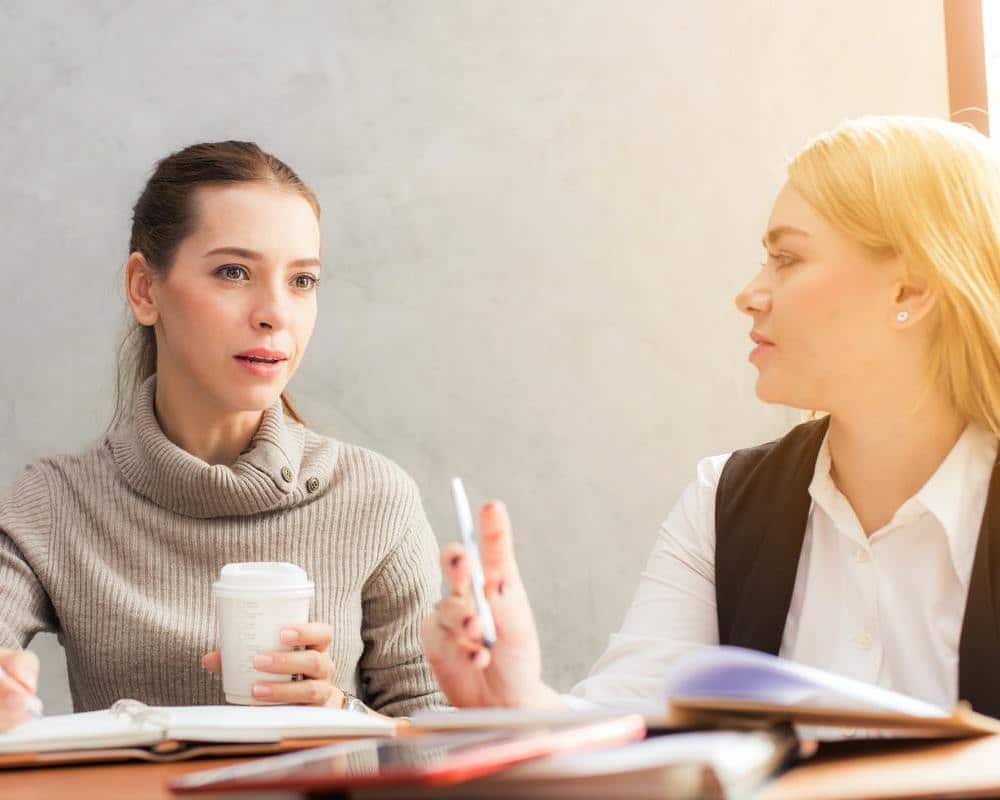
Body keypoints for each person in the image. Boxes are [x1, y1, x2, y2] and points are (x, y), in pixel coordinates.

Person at [422, 115, 1000, 719]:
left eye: (788, 258)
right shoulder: (722, 502)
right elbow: (628, 724)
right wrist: (519, 701)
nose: (750, 293)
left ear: (909, 290)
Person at [0, 141, 445, 731]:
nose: (275, 313)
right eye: (233, 272)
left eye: (302, 280)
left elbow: (446, 745)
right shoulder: (53, 503)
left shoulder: (376, 499)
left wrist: (339, 712)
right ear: (144, 289)